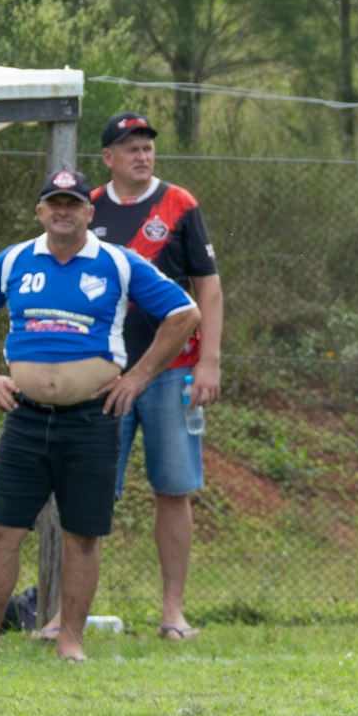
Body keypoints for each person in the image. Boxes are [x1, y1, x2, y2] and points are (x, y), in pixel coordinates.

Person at [0, 168, 200, 663]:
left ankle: (71, 643)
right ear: (40, 211)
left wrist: (138, 378)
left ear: (89, 212)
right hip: (26, 419)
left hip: (92, 420)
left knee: (82, 536)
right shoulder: (15, 260)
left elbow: (184, 313)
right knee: (1, 532)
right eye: (55, 203)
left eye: (74, 204)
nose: (64, 212)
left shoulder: (118, 263)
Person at [82, 111, 223, 641]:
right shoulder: (86, 208)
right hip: (106, 374)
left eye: (147, 147)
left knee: (174, 489)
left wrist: (209, 361)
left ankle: (173, 613)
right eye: (131, 148)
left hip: (174, 372)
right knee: (91, 490)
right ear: (108, 158)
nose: (142, 156)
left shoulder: (179, 204)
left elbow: (208, 288)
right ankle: (67, 613)